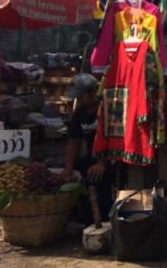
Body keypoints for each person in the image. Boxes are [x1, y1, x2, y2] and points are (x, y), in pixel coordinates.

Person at [59, 73, 113, 224]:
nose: (79, 100)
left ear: (93, 92)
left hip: (111, 158)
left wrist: (102, 163)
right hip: (92, 157)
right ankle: (80, 216)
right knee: (75, 174)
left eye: (81, 96)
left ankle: (102, 218)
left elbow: (114, 138)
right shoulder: (79, 114)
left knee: (99, 177)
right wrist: (68, 168)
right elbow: (74, 141)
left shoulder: (107, 109)